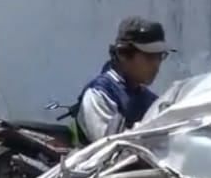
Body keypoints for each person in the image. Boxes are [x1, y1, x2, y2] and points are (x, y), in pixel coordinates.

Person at [73, 16, 173, 144]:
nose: (156, 64)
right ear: (123, 54)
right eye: (149, 57)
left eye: (160, 56)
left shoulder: (151, 101)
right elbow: (108, 148)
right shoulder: (100, 94)